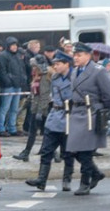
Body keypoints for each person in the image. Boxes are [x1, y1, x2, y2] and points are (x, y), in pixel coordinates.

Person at [67, 42, 110, 195]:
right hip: (77, 112)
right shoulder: (74, 71)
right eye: (75, 55)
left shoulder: (98, 71)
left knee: (86, 151)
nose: (75, 58)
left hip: (91, 114)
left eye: (79, 55)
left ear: (88, 56)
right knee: (72, 150)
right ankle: (96, 173)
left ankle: (85, 182)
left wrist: (100, 110)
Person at [25, 51, 76, 191]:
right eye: (54, 64)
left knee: (68, 152)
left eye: (58, 64)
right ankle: (41, 180)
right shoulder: (55, 78)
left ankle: (67, 180)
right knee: (46, 150)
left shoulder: (75, 77)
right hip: (55, 116)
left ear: (67, 64)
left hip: (68, 117)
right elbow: (50, 96)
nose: (56, 66)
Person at [0, 36, 28, 136]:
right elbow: (2, 70)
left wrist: (23, 79)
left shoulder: (17, 55)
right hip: (9, 86)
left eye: (15, 45)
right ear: (8, 46)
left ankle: (12, 128)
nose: (14, 47)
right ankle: (1, 128)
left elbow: (22, 68)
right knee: (5, 108)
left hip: (17, 84)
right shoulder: (3, 55)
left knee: (14, 108)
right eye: (12, 45)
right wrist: (8, 81)